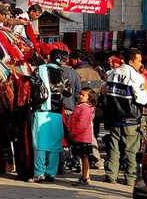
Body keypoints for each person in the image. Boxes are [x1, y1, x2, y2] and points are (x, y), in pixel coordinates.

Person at [104, 49, 147, 185]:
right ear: (131, 61)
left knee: (114, 149)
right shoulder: (135, 77)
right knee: (131, 151)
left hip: (114, 118)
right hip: (130, 119)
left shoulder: (111, 74)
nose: (140, 64)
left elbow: (105, 92)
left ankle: (111, 176)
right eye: (139, 61)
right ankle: (130, 178)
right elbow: (142, 100)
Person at [28, 49, 72, 183]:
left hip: (40, 111)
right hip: (56, 113)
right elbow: (68, 92)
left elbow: (31, 86)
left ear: (49, 57)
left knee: (39, 144)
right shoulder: (62, 74)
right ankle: (51, 173)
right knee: (54, 145)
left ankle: (39, 173)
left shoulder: (38, 71)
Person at [69, 49, 104, 170]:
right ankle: (95, 158)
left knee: (79, 133)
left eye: (71, 59)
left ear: (77, 60)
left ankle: (77, 160)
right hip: (93, 106)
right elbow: (100, 90)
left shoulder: (75, 73)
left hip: (79, 108)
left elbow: (73, 92)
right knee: (90, 132)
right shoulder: (95, 73)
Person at [68, 87, 98, 186]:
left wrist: (73, 132)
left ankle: (85, 177)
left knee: (84, 157)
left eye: (83, 95)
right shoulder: (80, 106)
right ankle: (85, 176)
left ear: (89, 98)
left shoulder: (85, 109)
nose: (80, 96)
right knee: (83, 156)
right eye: (80, 94)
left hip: (82, 136)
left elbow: (82, 124)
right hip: (79, 136)